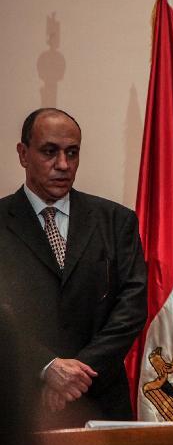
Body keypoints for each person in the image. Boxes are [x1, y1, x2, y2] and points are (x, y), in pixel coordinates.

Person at [0, 108, 147, 428]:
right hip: (21, 410)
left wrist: (76, 373)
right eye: (50, 152)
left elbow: (132, 308)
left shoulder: (116, 220)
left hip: (102, 402)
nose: (63, 165)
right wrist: (47, 366)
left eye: (72, 152)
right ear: (23, 154)